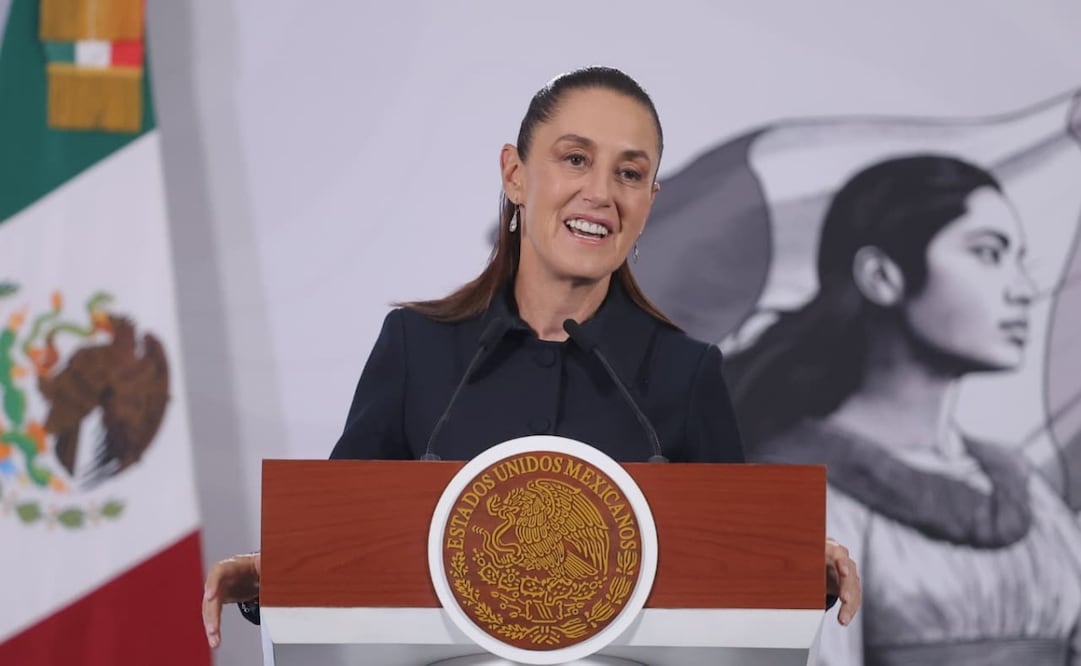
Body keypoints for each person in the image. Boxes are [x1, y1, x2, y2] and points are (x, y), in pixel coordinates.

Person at [201, 66, 863, 650]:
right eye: (575, 159)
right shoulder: (416, 349)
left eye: (628, 173)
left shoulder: (685, 374)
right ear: (515, 175)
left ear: (647, 205)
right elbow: (342, 554)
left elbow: (732, 583)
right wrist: (276, 573)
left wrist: (795, 569)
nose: (601, 192)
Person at [727, 155, 1081, 665]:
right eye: (987, 253)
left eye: (1018, 259)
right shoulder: (796, 495)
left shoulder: (1023, 488)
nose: (1023, 290)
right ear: (882, 276)